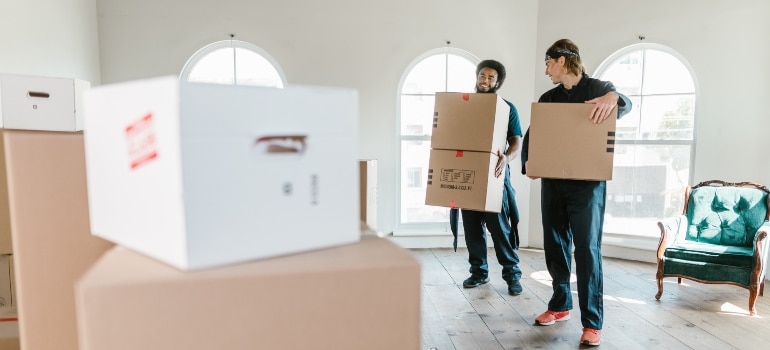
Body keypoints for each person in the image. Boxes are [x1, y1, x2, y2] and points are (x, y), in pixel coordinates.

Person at [521, 39, 632, 346]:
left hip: (587, 187)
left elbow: (626, 104)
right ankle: (559, 306)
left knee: (586, 250)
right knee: (554, 245)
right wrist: (528, 162)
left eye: (548, 63)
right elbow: (534, 134)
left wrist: (613, 96)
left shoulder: (599, 89)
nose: (546, 70)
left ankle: (592, 322)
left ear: (562, 60)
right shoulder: (548, 97)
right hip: (554, 184)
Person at [449, 59, 524, 296]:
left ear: (498, 82)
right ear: (477, 76)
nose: (486, 80)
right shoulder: (464, 104)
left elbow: (516, 142)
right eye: (483, 75)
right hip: (468, 173)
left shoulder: (506, 108)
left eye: (491, 77)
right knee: (472, 227)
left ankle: (512, 275)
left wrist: (507, 159)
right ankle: (479, 272)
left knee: (499, 227)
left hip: (494, 173)